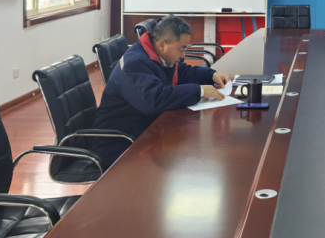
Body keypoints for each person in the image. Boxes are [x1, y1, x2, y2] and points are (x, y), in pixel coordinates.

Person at [92, 16, 231, 170]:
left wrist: (211, 76)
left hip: (145, 131)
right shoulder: (135, 63)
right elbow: (154, 100)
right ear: (162, 44)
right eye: (181, 49)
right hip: (120, 144)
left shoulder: (160, 55)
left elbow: (183, 72)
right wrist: (200, 91)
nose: (183, 55)